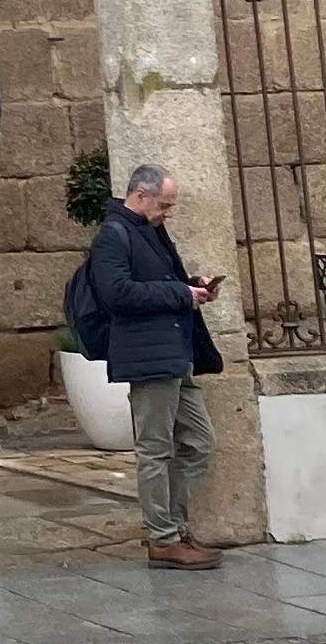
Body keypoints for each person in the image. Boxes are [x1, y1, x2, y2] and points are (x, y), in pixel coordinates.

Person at [86, 162, 225, 569]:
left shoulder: (150, 230)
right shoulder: (113, 235)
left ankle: (175, 527)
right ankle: (162, 538)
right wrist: (180, 294)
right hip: (148, 357)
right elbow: (117, 294)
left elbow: (159, 284)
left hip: (175, 352)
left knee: (199, 443)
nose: (169, 212)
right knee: (155, 449)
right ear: (140, 195)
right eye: (164, 204)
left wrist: (193, 287)